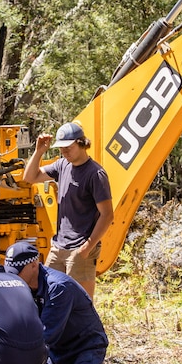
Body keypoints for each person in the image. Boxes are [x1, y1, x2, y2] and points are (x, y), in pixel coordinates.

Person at [3, 240, 133, 364]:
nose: (13, 278)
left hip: (85, 346)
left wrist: (20, 363)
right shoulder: (20, 286)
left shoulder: (58, 287)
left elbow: (46, 335)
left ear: (34, 265)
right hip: (59, 350)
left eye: (17, 272)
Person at [22, 121, 114, 297]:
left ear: (81, 144)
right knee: (47, 296)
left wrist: (87, 247)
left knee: (80, 304)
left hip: (80, 248)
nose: (64, 152)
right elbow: (29, 177)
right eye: (61, 148)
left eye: (68, 147)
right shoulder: (62, 165)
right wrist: (39, 151)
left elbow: (107, 215)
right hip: (58, 247)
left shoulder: (95, 174)